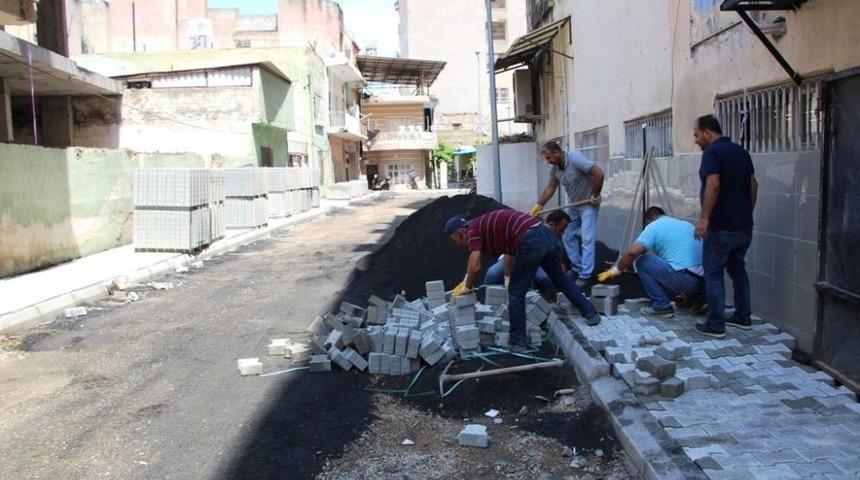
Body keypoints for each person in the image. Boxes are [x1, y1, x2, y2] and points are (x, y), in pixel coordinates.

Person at [445, 209, 600, 350]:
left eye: (455, 240)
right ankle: (590, 313)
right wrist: (506, 277)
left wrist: (467, 287)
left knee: (516, 292)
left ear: (461, 233)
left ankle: (518, 341)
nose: (458, 244)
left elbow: (475, 265)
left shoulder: (472, 230)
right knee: (561, 278)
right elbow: (509, 253)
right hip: (547, 234)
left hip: (531, 239)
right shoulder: (484, 225)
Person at [692, 114, 758, 338]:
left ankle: (716, 324)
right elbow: (753, 184)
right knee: (738, 270)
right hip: (743, 227)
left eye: (696, 135)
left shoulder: (712, 153)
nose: (696, 140)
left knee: (713, 273)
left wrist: (704, 219)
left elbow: (713, 183)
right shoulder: (740, 151)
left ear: (707, 132)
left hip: (721, 228)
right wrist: (746, 213)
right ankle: (743, 316)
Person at [597, 206, 705, 318]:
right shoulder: (684, 224)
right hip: (704, 282)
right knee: (671, 262)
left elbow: (632, 253)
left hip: (687, 280)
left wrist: (614, 271)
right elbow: (685, 259)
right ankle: (697, 299)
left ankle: (661, 306)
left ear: (649, 220)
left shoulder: (654, 226)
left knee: (643, 261)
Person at [529, 141, 605, 288]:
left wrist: (595, 194)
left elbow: (599, 173)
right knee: (568, 235)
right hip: (574, 205)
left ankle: (585, 275)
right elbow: (551, 188)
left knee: (587, 239)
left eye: (549, 157)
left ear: (558, 152)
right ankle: (577, 268)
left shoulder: (575, 159)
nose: (548, 161)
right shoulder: (556, 169)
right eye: (547, 158)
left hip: (588, 204)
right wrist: (539, 205)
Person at [484, 210, 573, 292]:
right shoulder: (529, 230)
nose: (563, 233)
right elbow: (509, 256)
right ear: (552, 225)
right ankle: (484, 298)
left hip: (536, 262)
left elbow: (558, 258)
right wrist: (507, 280)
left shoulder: (554, 237)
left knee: (545, 278)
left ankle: (550, 301)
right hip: (513, 258)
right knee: (492, 274)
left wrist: (562, 275)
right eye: (561, 230)